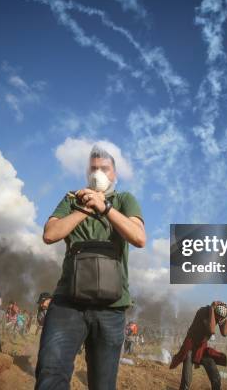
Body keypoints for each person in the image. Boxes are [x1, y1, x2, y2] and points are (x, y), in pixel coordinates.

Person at [35, 145, 145, 390]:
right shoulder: (71, 199)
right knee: (51, 373)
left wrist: (105, 207)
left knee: (103, 384)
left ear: (114, 174)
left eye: (104, 169)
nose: (98, 174)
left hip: (111, 308)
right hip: (67, 303)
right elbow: (50, 234)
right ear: (87, 173)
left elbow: (139, 238)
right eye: (93, 169)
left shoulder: (124, 200)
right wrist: (86, 208)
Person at [170, 301, 227, 390]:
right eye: (218, 317)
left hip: (202, 348)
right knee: (186, 380)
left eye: (220, 318)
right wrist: (212, 309)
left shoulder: (217, 315)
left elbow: (224, 333)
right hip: (190, 346)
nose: (219, 319)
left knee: (215, 376)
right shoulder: (203, 311)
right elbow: (212, 330)